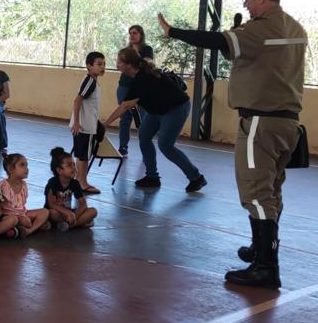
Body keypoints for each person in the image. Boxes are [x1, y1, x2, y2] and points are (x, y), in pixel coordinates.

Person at [157, 0, 306, 289]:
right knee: (272, 190)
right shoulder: (295, 28)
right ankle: (260, 249)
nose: (247, 4)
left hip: (259, 123)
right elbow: (250, 54)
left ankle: (266, 267)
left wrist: (174, 32)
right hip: (288, 123)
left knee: (255, 192)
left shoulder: (261, 28)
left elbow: (218, 42)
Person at [104, 48, 207, 193]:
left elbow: (125, 106)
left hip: (176, 108)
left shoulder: (142, 77)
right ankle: (152, 177)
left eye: (119, 62)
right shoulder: (136, 77)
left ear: (128, 65)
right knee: (144, 136)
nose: (117, 65)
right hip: (157, 110)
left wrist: (105, 124)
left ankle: (196, 177)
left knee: (165, 145)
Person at [70, 51, 106, 195]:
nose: (102, 67)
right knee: (84, 156)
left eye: (103, 64)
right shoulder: (90, 81)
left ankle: (80, 181)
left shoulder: (92, 81)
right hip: (85, 126)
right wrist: (77, 122)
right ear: (89, 66)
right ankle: (82, 182)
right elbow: (77, 100)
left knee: (82, 155)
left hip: (87, 124)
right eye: (98, 64)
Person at [117, 25, 155, 156]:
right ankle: (123, 147)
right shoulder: (126, 50)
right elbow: (120, 65)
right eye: (130, 33)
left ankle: (145, 147)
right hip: (124, 86)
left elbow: (147, 64)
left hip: (142, 87)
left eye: (135, 33)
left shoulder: (147, 49)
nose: (132, 35)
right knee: (125, 117)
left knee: (144, 118)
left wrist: (135, 55)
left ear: (141, 35)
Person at [44, 148, 98, 231]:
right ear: (59, 170)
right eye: (69, 165)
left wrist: (74, 215)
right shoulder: (53, 182)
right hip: (57, 212)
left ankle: (68, 224)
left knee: (93, 211)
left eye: (73, 164)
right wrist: (68, 213)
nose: (73, 168)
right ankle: (76, 223)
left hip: (69, 213)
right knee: (52, 213)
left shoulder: (75, 183)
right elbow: (51, 204)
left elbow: (83, 204)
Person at [0, 154, 50, 237]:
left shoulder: (24, 184)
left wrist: (23, 216)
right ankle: (31, 226)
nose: (26, 168)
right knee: (26, 221)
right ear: (10, 169)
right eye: (22, 165)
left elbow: (22, 207)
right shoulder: (4, 186)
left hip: (22, 213)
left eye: (27, 165)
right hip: (9, 215)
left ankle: (29, 230)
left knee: (45, 212)